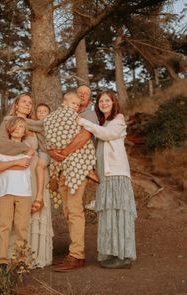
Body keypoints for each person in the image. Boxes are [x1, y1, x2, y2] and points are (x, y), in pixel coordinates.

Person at [0, 93, 53, 268]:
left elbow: (44, 148)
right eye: (23, 102)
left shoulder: (35, 125)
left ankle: (29, 257)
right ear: (16, 105)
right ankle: (5, 258)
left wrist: (44, 160)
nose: (27, 104)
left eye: (30, 103)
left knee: (26, 220)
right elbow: (1, 145)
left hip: (35, 173)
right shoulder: (8, 122)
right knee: (8, 221)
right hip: (14, 175)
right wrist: (25, 150)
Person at [77, 90, 137, 269]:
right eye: (101, 101)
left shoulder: (118, 119)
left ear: (113, 102)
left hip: (117, 175)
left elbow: (107, 135)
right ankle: (112, 253)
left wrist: (82, 121)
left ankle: (123, 256)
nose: (103, 103)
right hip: (105, 176)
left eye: (107, 100)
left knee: (119, 215)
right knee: (108, 215)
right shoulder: (103, 123)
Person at [46, 90, 97, 272]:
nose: (80, 100)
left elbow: (84, 136)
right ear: (67, 101)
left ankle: (77, 255)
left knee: (75, 211)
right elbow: (51, 132)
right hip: (61, 169)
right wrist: (52, 150)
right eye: (77, 96)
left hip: (76, 167)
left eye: (85, 95)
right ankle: (74, 251)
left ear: (89, 99)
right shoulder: (61, 115)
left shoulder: (87, 114)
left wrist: (63, 153)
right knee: (68, 212)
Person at [0, 117, 33, 268]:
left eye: (22, 126)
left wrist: (6, 165)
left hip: (24, 192)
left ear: (24, 131)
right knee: (4, 226)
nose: (18, 128)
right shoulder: (2, 147)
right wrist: (16, 162)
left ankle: (21, 260)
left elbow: (25, 165)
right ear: (9, 128)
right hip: (5, 191)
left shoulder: (27, 147)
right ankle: (2, 260)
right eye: (16, 126)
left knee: (21, 228)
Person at [31, 103, 51, 213]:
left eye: (44, 111)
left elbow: (27, 123)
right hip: (41, 152)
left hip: (46, 152)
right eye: (39, 111)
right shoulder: (38, 123)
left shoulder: (44, 123)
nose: (42, 113)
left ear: (49, 114)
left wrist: (12, 119)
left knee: (39, 168)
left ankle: (39, 196)